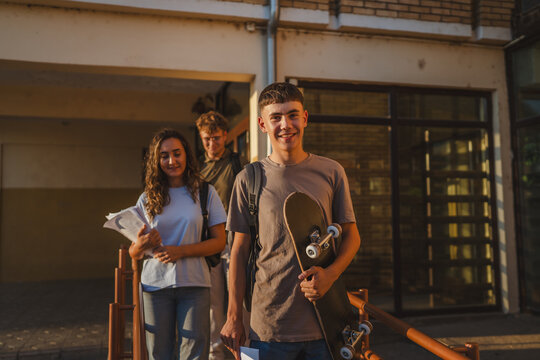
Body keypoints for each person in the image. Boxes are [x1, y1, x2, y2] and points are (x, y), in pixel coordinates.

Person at [220, 82, 361, 360]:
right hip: (269, 328)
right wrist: (234, 316)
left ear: (305, 118)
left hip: (325, 324)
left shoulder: (331, 172)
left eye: (293, 114)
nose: (286, 124)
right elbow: (239, 251)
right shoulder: (248, 178)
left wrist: (330, 276)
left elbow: (352, 236)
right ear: (262, 124)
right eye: (276, 117)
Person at [129, 128, 227, 360]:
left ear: (187, 155)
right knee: (159, 353)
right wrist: (141, 244)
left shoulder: (205, 192)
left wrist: (180, 252)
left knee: (194, 353)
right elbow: (134, 252)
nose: (172, 161)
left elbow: (219, 242)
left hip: (195, 283)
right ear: (156, 159)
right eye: (164, 155)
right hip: (155, 286)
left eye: (177, 153)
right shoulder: (147, 198)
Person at [196, 111, 246, 360]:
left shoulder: (238, 164)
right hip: (210, 245)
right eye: (206, 139)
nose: (211, 144)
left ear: (225, 136)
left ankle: (244, 353)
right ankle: (216, 355)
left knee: (240, 302)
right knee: (213, 306)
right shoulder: (196, 169)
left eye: (216, 138)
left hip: (236, 241)